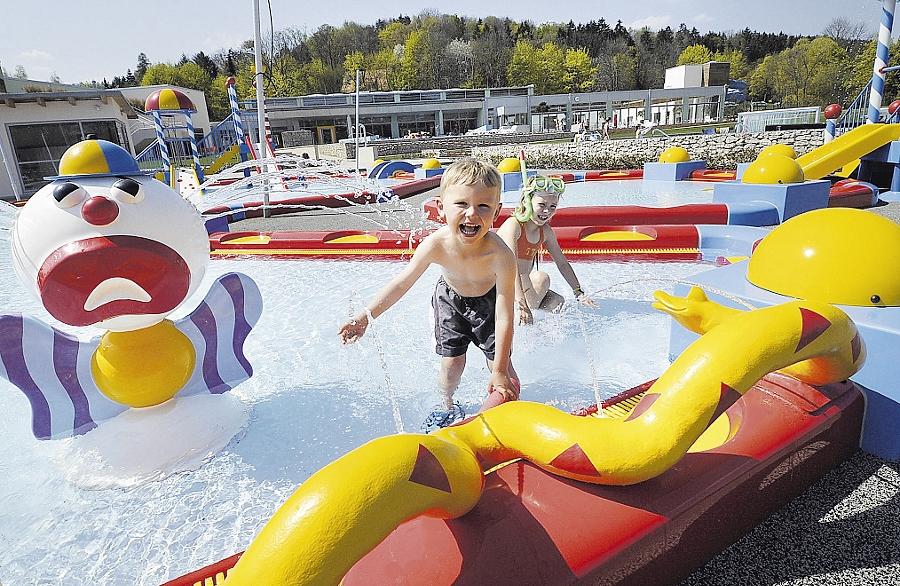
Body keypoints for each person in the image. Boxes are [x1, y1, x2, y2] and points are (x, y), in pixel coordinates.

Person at [339, 158, 520, 431]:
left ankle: (503, 411)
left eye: (483, 205)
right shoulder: (436, 244)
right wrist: (365, 317)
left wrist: (499, 371)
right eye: (461, 204)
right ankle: (447, 405)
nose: (472, 213)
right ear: (441, 208)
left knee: (504, 369)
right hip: (450, 300)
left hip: (490, 302)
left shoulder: (501, 255)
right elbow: (402, 283)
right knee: (452, 364)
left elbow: (505, 314)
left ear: (497, 211)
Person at [497, 175, 596, 324]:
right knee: (540, 278)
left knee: (557, 302)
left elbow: (562, 263)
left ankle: (535, 333)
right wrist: (521, 303)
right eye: (542, 205)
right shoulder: (514, 226)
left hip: (519, 287)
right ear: (527, 201)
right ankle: (521, 317)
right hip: (499, 286)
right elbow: (510, 268)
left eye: (552, 207)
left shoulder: (546, 232)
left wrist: (578, 292)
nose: (547, 211)